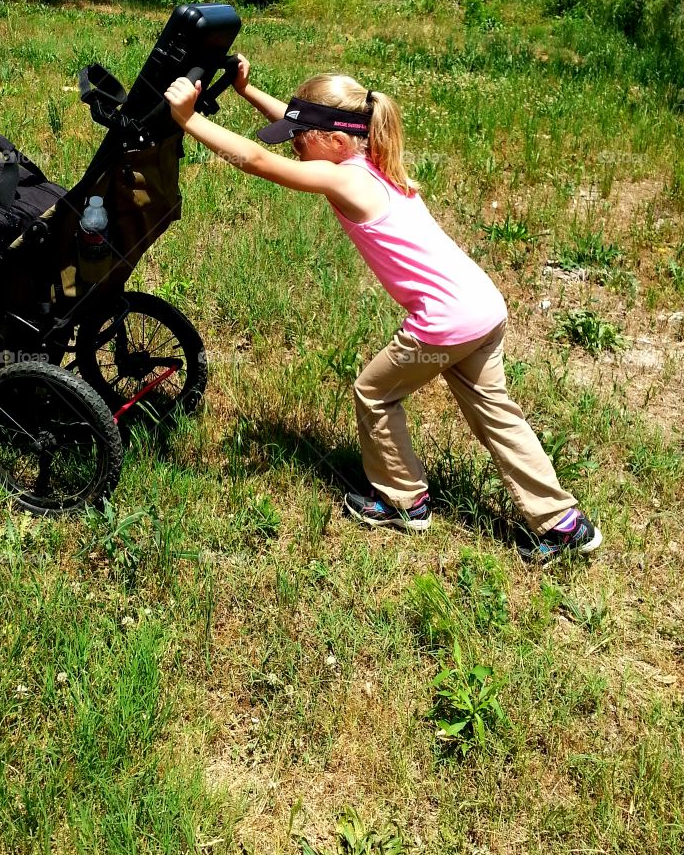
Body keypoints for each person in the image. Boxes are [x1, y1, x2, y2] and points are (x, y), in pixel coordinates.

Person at [164, 56, 602, 563]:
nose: (293, 143)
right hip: (482, 308)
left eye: (298, 136)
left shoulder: (347, 180)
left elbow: (262, 163)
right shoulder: (372, 157)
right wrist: (247, 90)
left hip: (443, 324)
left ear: (334, 138)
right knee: (496, 414)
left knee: (373, 393)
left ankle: (403, 500)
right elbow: (301, 123)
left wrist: (190, 121)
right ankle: (562, 522)